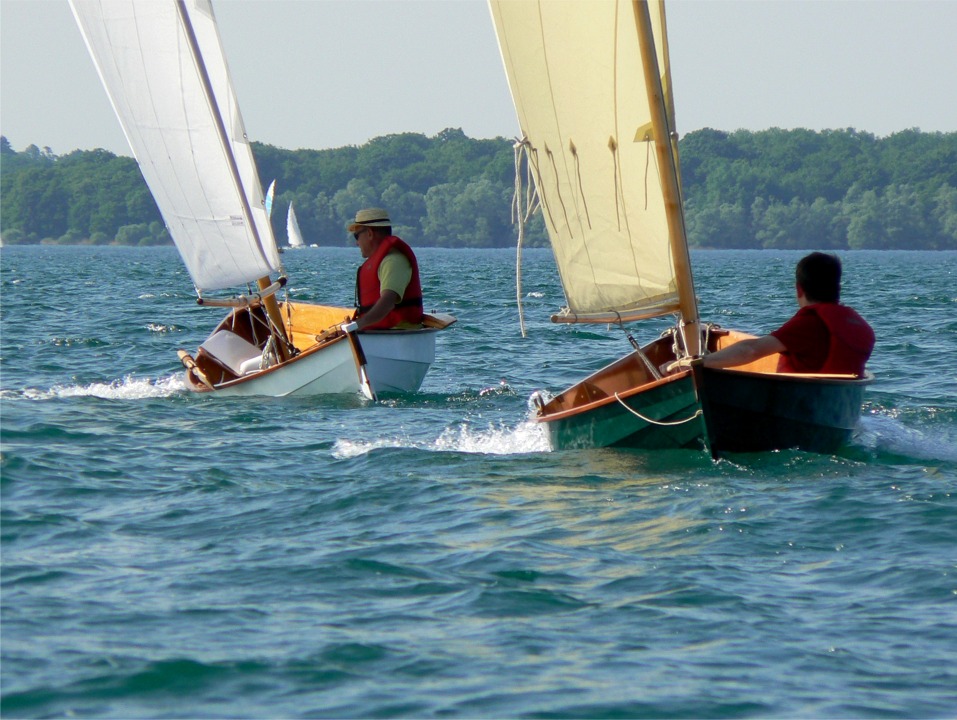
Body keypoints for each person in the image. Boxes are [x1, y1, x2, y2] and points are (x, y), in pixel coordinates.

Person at [666, 252, 875, 376]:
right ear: (837, 287)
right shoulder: (861, 327)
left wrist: (692, 363)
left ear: (799, 289)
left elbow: (751, 351)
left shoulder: (810, 324)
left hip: (800, 403)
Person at [340, 207, 424, 334]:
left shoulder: (393, 261)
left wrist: (357, 325)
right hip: (380, 331)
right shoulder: (384, 260)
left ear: (369, 233)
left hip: (396, 332)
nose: (357, 242)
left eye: (356, 236)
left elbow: (387, 302)